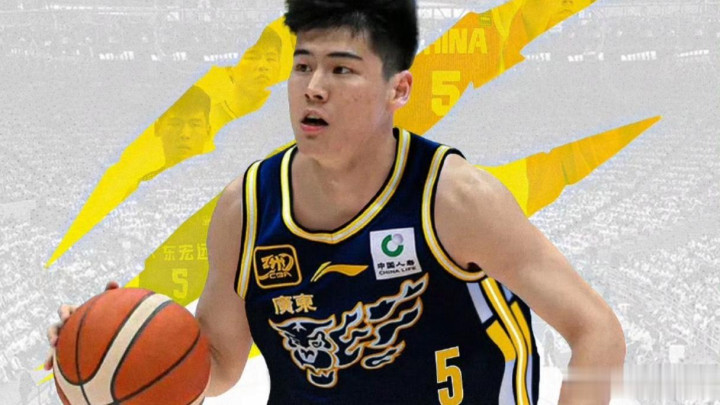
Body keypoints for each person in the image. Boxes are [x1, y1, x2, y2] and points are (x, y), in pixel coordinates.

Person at [47, 1, 625, 404]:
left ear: (398, 89)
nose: (313, 87)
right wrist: (115, 342)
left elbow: (596, 330)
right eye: (303, 65)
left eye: (341, 69)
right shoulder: (247, 209)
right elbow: (218, 366)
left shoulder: (455, 198)